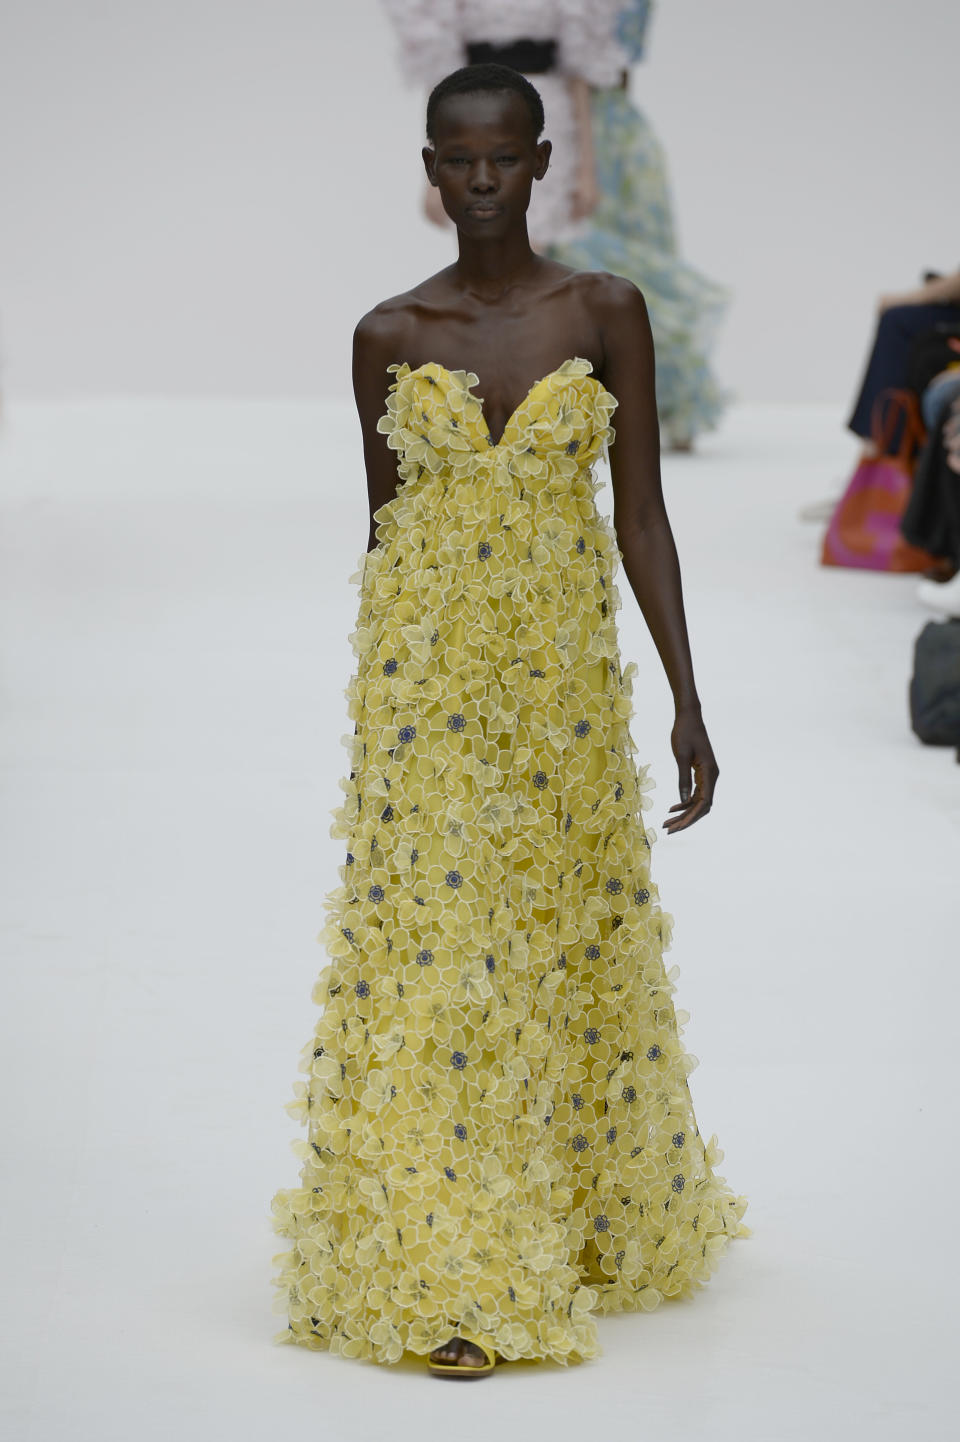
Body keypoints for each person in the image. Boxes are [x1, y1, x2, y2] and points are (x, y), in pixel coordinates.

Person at [271, 63, 748, 1378]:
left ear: (543, 163)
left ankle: (576, 1208)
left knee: (562, 941)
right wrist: (388, 718)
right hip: (427, 693)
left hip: (561, 696)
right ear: (429, 172)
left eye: (503, 159)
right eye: (456, 160)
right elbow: (386, 528)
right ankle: (452, 1263)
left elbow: (640, 510)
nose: (480, 182)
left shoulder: (603, 310)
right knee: (435, 965)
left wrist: (689, 698)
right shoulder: (387, 333)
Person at [546, 0, 731, 451]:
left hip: (591, 133)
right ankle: (659, 404)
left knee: (589, 268)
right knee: (603, 265)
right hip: (621, 132)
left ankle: (627, 406)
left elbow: (583, 72)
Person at [381, 0, 628, 248]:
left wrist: (586, 170)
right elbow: (439, 69)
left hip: (544, 115)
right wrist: (433, 173)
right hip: (473, 113)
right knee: (483, 247)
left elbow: (578, 71)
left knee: (532, 245)